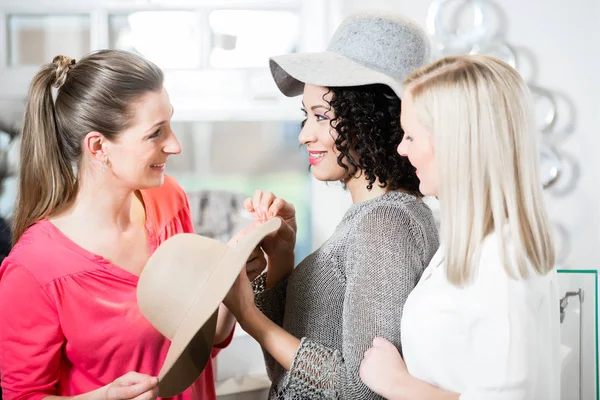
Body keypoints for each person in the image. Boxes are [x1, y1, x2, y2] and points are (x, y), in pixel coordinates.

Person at [0, 50, 256, 400]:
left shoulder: (169, 198)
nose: (175, 145)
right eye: (155, 133)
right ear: (98, 146)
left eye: (171, 124)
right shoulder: (33, 269)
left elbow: (195, 342)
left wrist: (235, 277)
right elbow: (21, 396)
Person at [222, 12, 440, 399]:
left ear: (369, 118)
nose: (305, 135)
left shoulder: (386, 223)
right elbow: (286, 372)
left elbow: (362, 389)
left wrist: (250, 317)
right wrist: (281, 259)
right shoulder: (368, 219)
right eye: (306, 116)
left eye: (322, 116)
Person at [359, 54, 560, 400]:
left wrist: (397, 383)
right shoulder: (469, 246)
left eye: (410, 136)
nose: (401, 149)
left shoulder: (502, 257)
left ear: (454, 143)